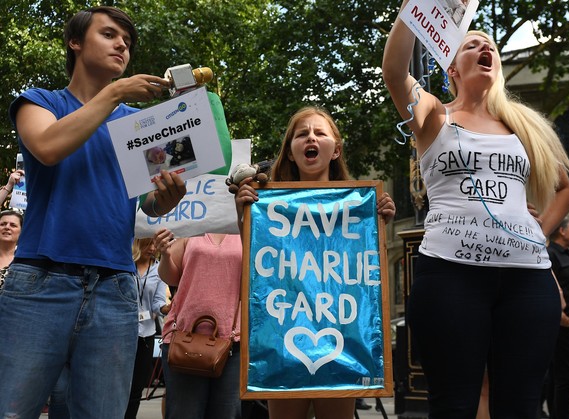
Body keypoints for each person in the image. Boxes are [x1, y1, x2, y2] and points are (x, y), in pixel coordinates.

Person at [382, 1, 569, 417]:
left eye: (489, 46)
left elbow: (563, 190)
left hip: (527, 283)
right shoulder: (434, 113)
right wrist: (414, 7)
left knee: (521, 406)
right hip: (451, 278)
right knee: (454, 404)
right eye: (471, 45)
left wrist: (538, 236)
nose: (484, 48)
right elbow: (394, 72)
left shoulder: (524, 127)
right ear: (452, 68)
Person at [0, 6, 186, 419]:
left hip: (115, 288)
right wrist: (116, 93)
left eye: (128, 42)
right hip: (40, 282)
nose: (123, 44)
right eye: (109, 34)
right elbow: (47, 147)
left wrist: (166, 200)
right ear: (75, 42)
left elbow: (147, 201)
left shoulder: (141, 124)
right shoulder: (38, 102)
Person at [234, 106, 397, 419]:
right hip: (283, 340)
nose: (311, 137)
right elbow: (257, 269)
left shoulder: (359, 205)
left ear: (335, 150)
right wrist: (243, 214)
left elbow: (362, 273)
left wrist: (376, 225)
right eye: (302, 133)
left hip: (342, 340)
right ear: (291, 152)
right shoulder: (264, 205)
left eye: (320, 133)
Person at [154, 231, 243, 419]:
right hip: (184, 338)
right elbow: (170, 277)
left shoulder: (246, 226)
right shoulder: (193, 227)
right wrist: (165, 254)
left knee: (226, 413)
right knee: (184, 413)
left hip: (232, 342)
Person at [125, 237, 170, 419]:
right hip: (122, 333)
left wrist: (167, 308)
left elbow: (157, 302)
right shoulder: (125, 264)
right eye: (148, 244)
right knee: (118, 385)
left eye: (154, 244)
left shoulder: (159, 269)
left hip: (146, 335)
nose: (152, 248)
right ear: (138, 243)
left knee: (137, 388)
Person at [546, 218, 569, 419]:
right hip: (564, 326)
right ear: (561, 231)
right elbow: (551, 287)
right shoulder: (551, 255)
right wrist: (561, 316)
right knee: (563, 379)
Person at [0, 209, 23, 289]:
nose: (7, 227)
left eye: (13, 225)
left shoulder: (25, 261)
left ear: (21, 231)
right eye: (3, 224)